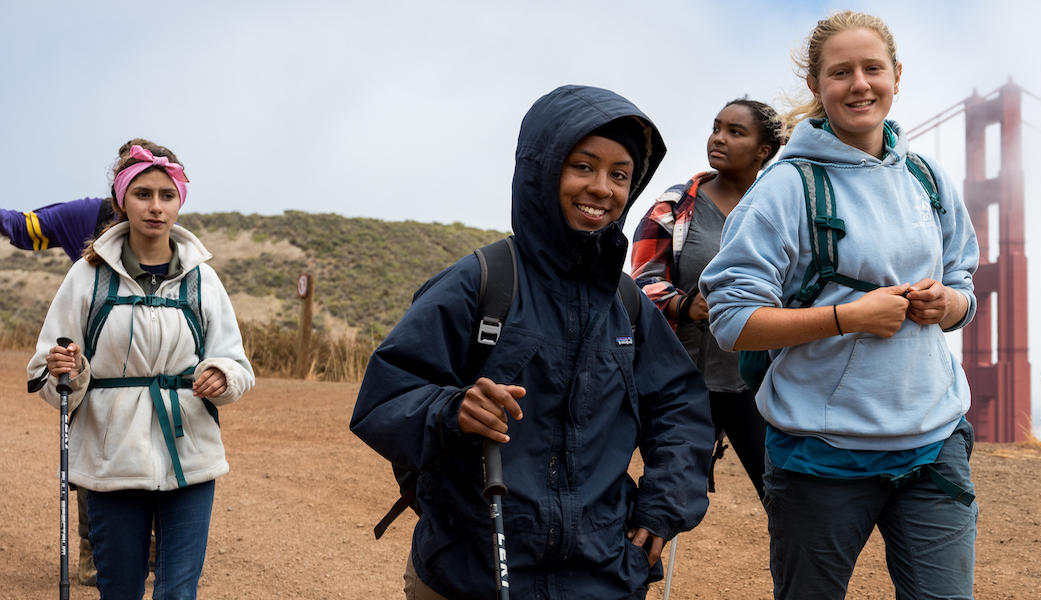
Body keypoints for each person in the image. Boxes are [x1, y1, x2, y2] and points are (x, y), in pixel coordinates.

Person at [351, 85, 712, 600]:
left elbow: (680, 404)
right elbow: (387, 398)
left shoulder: (625, 303)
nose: (602, 188)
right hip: (469, 572)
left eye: (619, 175)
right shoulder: (480, 281)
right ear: (541, 171)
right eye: (582, 166)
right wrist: (455, 409)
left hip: (603, 577)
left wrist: (664, 505)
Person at [700, 11, 982, 600]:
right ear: (816, 86)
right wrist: (845, 317)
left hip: (935, 443)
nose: (860, 84)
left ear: (897, 76)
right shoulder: (783, 188)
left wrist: (948, 304)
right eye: (841, 72)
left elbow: (964, 282)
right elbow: (731, 322)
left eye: (873, 68)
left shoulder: (928, 180)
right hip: (819, 457)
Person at [27, 139, 255, 599]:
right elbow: (48, 375)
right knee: (120, 591)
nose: (155, 207)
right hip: (111, 460)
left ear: (179, 202)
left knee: (177, 593)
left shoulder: (202, 278)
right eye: (143, 194)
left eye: (166, 195)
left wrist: (221, 376)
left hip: (190, 456)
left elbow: (238, 365)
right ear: (121, 200)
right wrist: (63, 369)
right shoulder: (86, 276)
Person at [631, 98, 785, 501]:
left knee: (784, 498)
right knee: (667, 498)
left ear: (763, 151)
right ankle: (644, 566)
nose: (718, 138)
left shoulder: (784, 210)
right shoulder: (673, 207)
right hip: (683, 381)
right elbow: (641, 283)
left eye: (735, 132)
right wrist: (684, 305)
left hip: (759, 384)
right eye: (716, 127)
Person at [3, 196, 118, 585]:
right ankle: (93, 549)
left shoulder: (161, 221)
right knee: (94, 439)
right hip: (91, 353)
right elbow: (24, 229)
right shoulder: (87, 215)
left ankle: (149, 543)